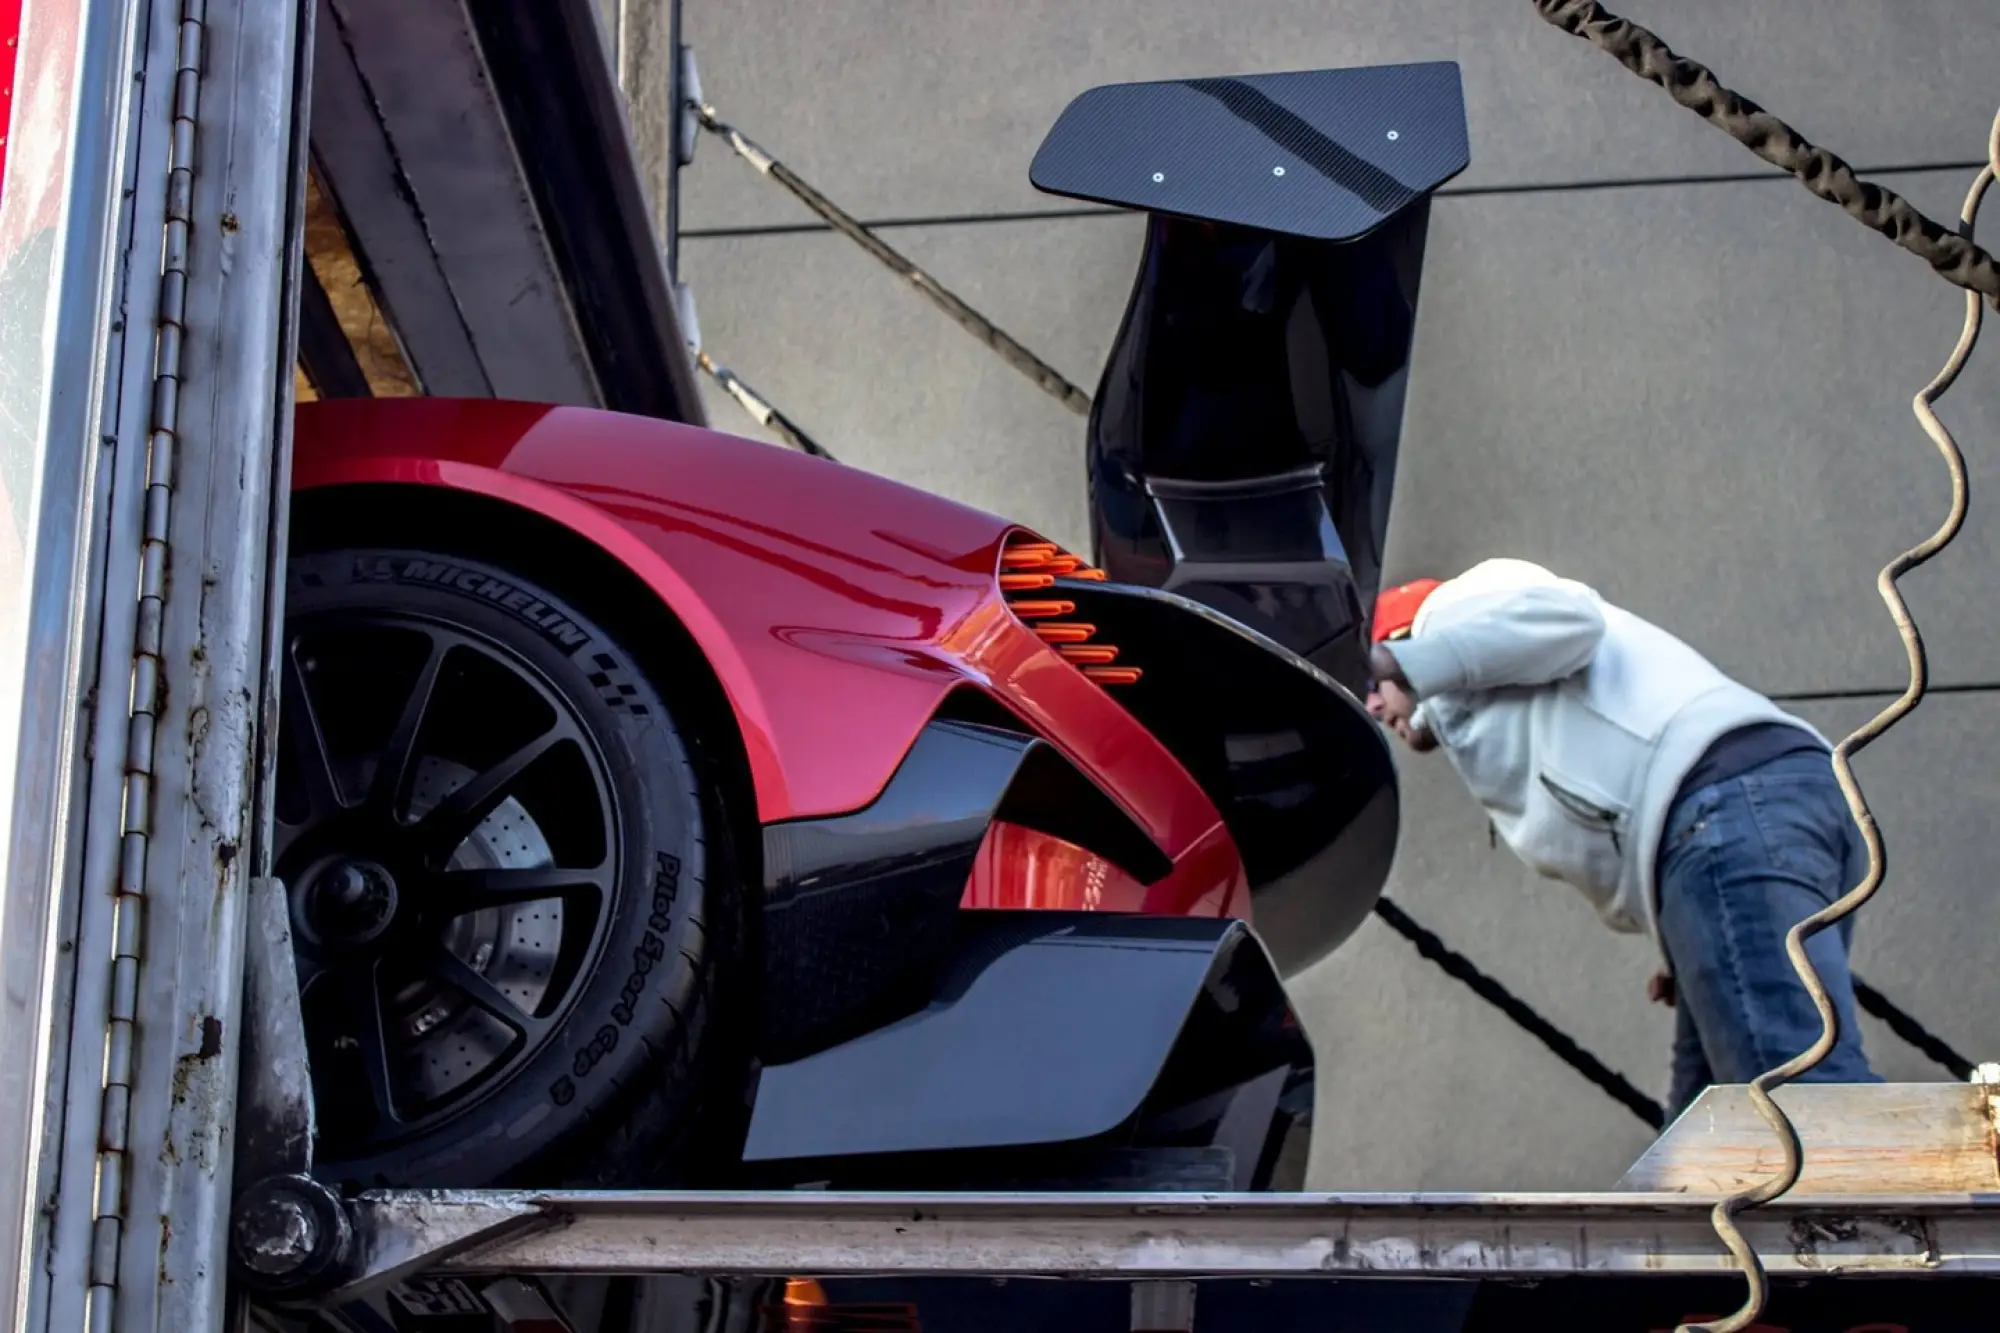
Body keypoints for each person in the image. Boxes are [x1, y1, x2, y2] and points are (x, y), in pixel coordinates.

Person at [1362, 558, 1880, 1120]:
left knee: (1799, 1108)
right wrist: (1686, 932)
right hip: (1749, 814)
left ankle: (1926, 1199)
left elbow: (1569, 621)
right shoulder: (1479, 702)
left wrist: (1392, 662)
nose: (1370, 705)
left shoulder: (1457, 606)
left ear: (1400, 636)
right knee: (1708, 1148)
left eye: (1370, 686)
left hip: (1724, 812)